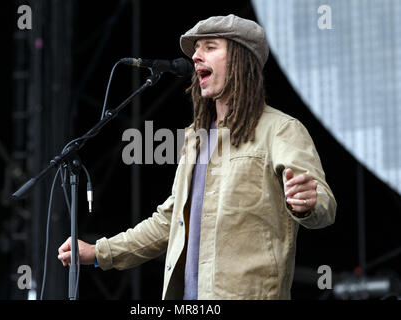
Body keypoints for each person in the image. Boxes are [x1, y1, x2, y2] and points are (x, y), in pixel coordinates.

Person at [57, 14, 336, 300]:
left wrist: (307, 204)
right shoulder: (195, 138)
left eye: (210, 47)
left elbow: (324, 206)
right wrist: (98, 252)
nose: (196, 57)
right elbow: (169, 221)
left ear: (241, 58)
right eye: (196, 49)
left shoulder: (281, 130)